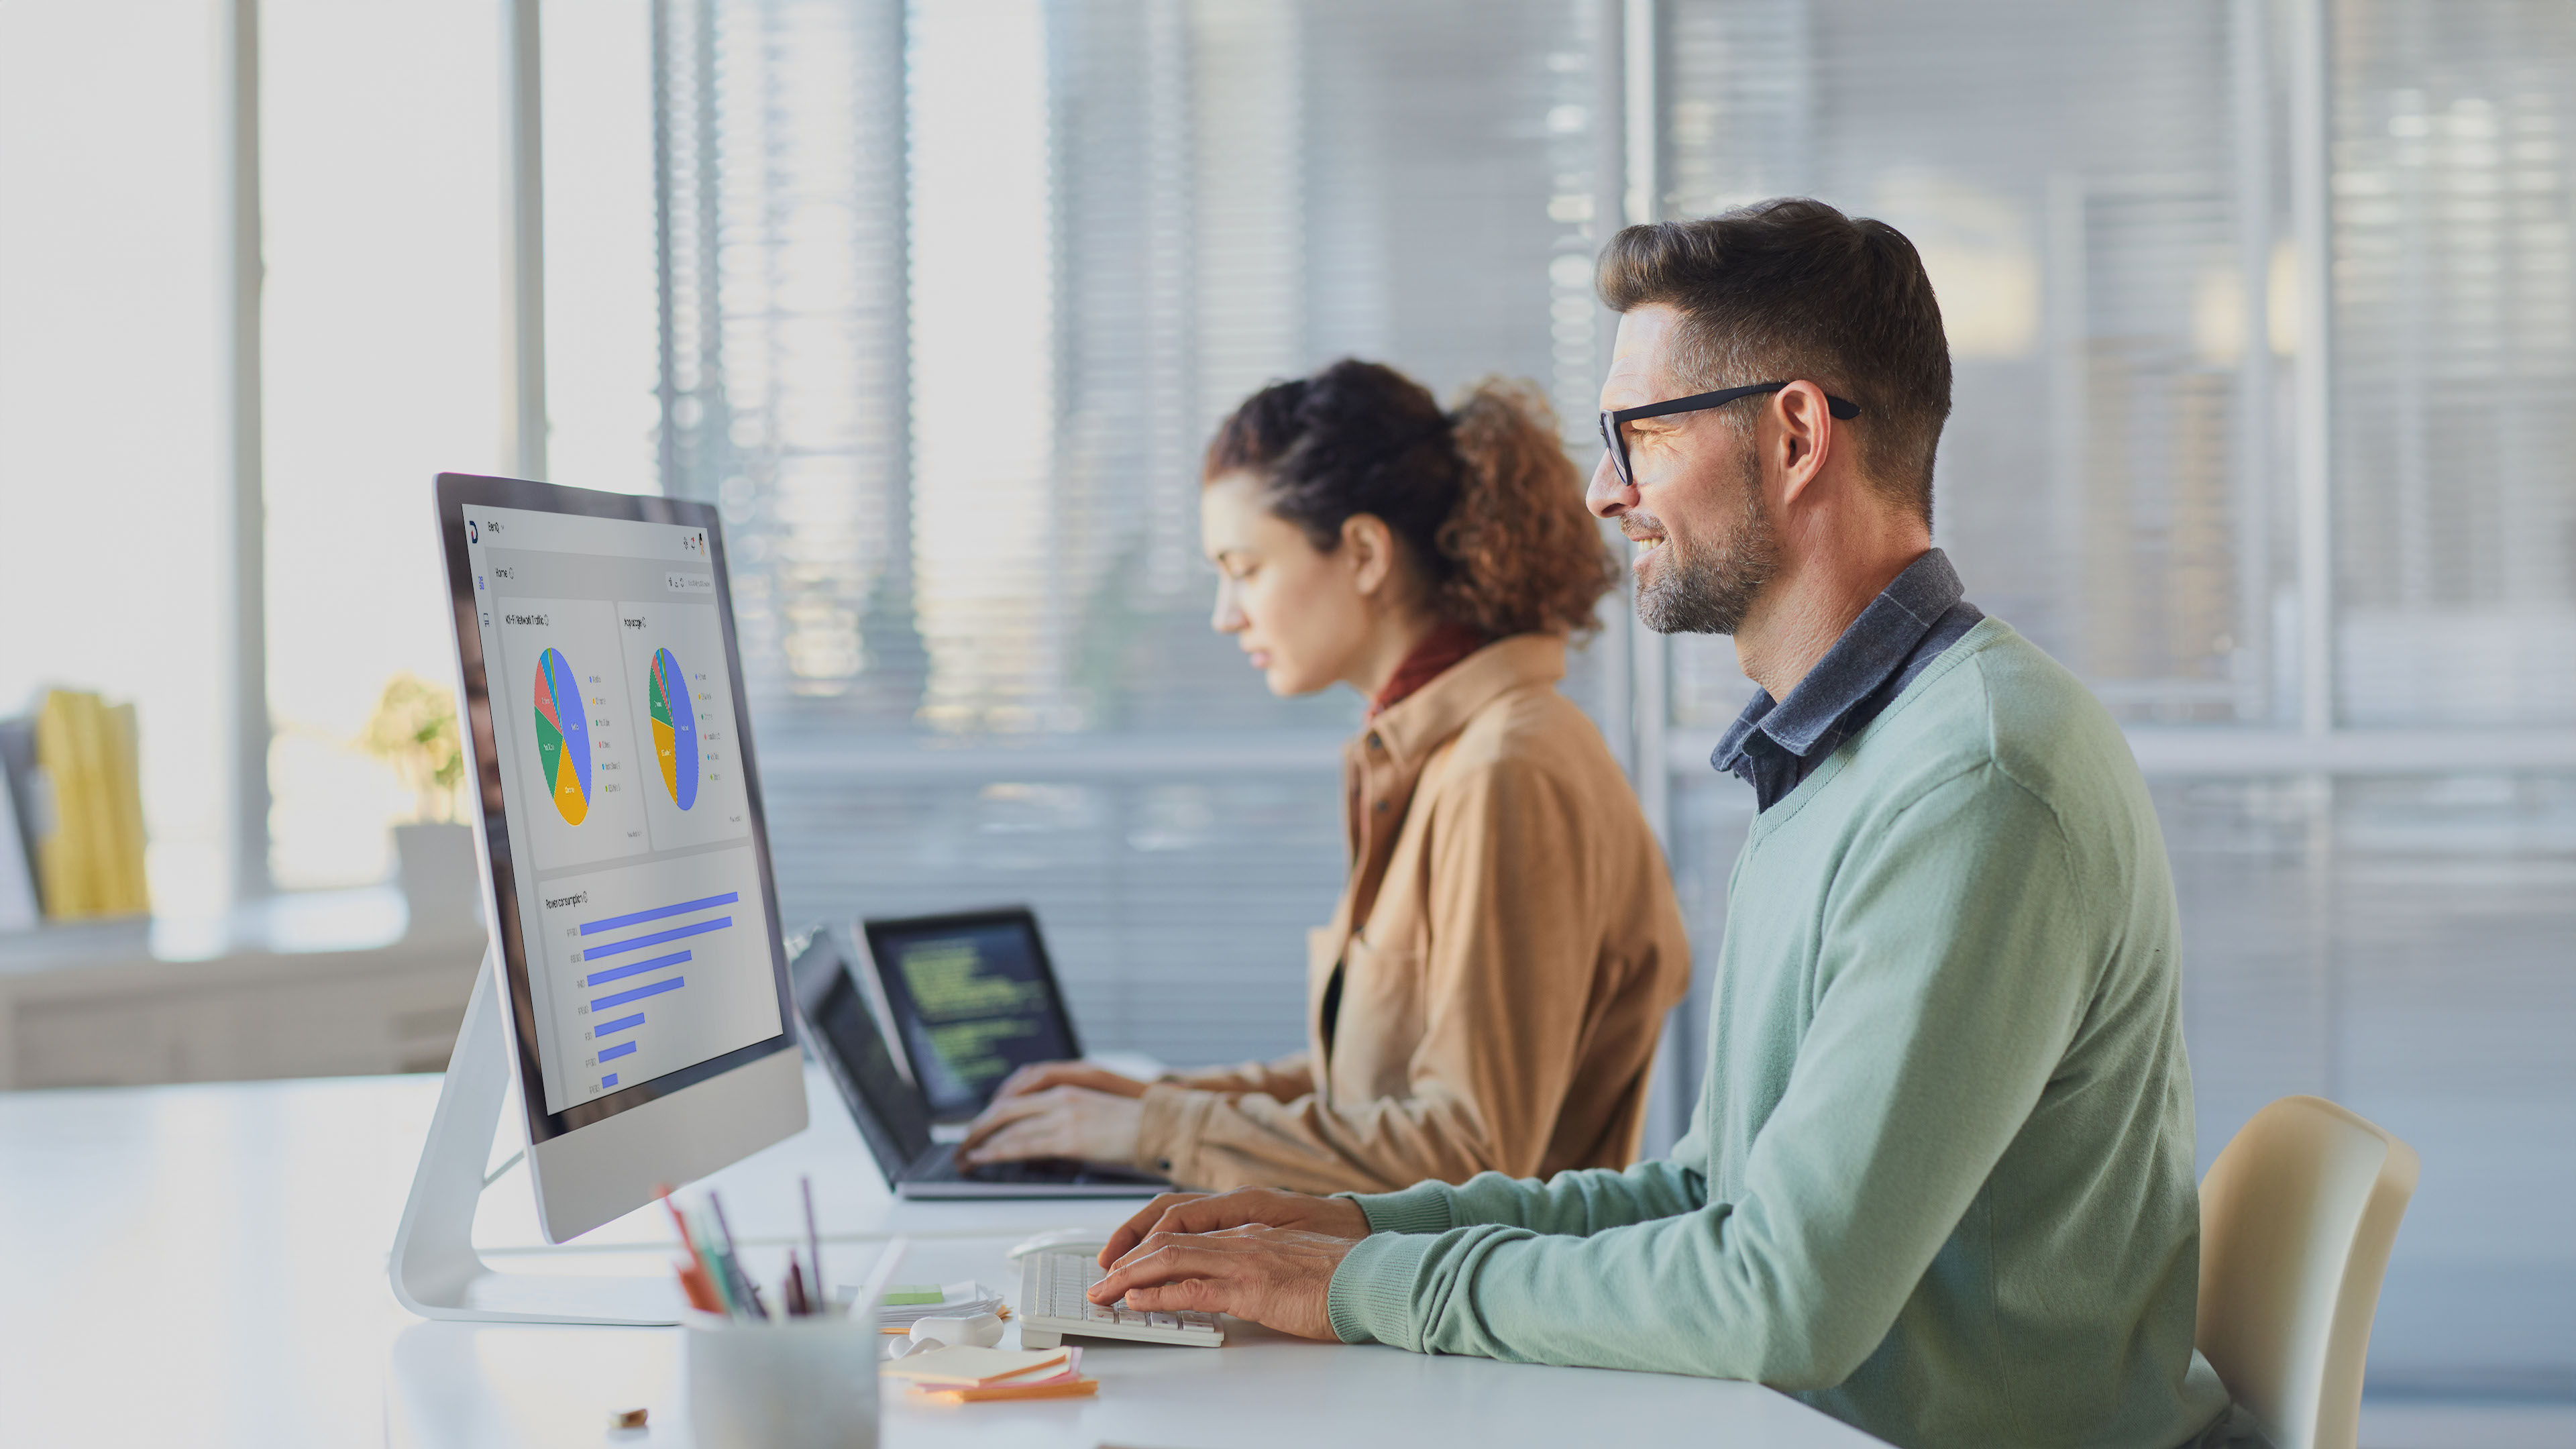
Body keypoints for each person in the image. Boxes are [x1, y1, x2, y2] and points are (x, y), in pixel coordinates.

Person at [1077, 200, 2246, 1449]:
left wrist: (1355, 1290)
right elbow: (1705, 1195)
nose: (1601, 490)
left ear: (1795, 436)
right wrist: (1360, 1231)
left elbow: (1778, 1296)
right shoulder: (1838, 757)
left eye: (1637, 435)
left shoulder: (1976, 783)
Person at [955, 360, 1693, 1197]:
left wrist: (1159, 1129)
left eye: (1246, 567)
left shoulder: (1505, 769)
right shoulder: (1432, 757)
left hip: (1454, 1319)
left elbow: (1469, 1152)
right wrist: (1151, 1102)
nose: (1225, 614)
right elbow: (1372, 1087)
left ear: (1365, 553)